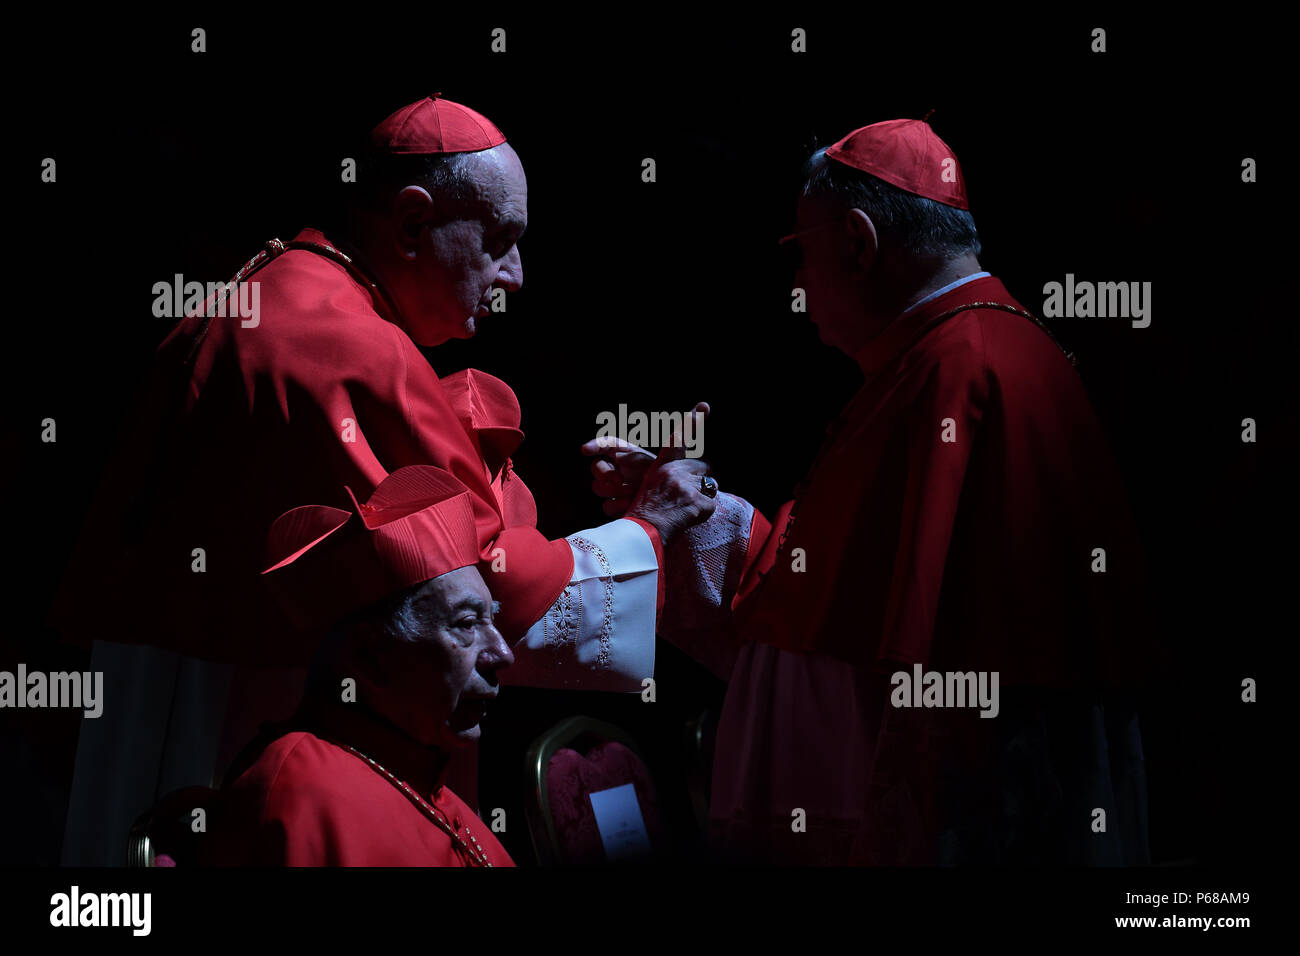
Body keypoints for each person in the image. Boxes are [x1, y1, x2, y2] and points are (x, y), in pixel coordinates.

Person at [53, 95, 715, 864]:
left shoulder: (271, 288)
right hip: (261, 725)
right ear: (410, 223)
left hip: (164, 693)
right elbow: (480, 600)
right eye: (499, 240)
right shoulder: (356, 348)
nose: (516, 276)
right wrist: (650, 527)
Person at [586, 118, 1157, 865]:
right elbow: (831, 587)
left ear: (858, 242)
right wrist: (687, 512)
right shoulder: (931, 361)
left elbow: (941, 682)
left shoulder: (962, 372)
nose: (796, 283)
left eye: (801, 253)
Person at [204, 466, 515, 866]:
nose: (504, 654)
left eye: (493, 620)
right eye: (468, 624)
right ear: (372, 656)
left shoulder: (425, 785)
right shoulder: (305, 791)